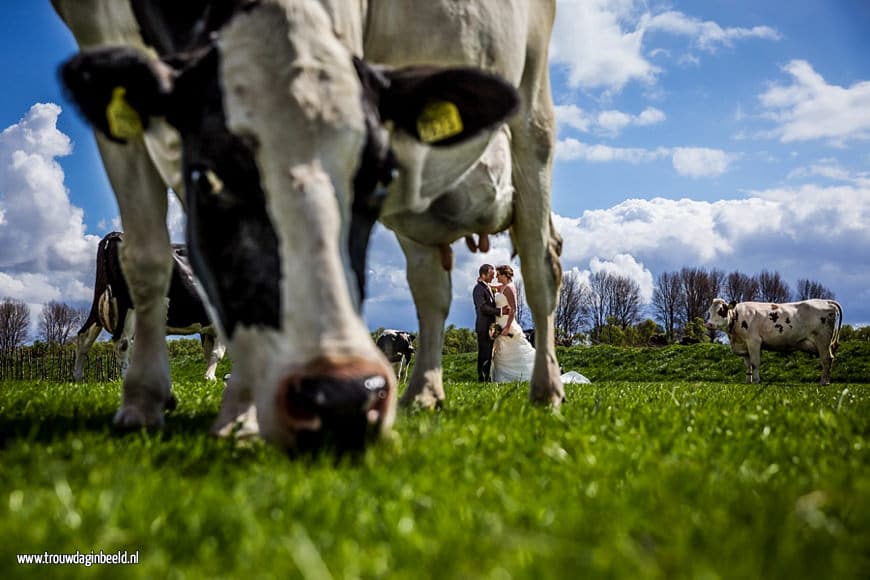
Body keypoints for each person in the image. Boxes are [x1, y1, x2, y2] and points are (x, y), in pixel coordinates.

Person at [491, 264, 537, 382]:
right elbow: (492, 285)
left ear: (505, 275)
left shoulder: (509, 288)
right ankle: (502, 377)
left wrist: (507, 327)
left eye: (498, 275)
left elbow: (513, 309)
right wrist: (482, 281)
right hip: (499, 322)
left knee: (515, 348)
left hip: (507, 323)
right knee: (502, 350)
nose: (496, 277)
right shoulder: (502, 286)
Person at [473, 264, 510, 382]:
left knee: (489, 353)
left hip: (490, 327)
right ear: (483, 275)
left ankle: (487, 377)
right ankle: (482, 378)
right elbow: (483, 307)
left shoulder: (487, 287)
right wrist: (500, 311)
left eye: (494, 275)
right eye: (491, 275)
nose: (493, 277)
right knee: (484, 353)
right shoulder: (478, 289)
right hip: (483, 327)